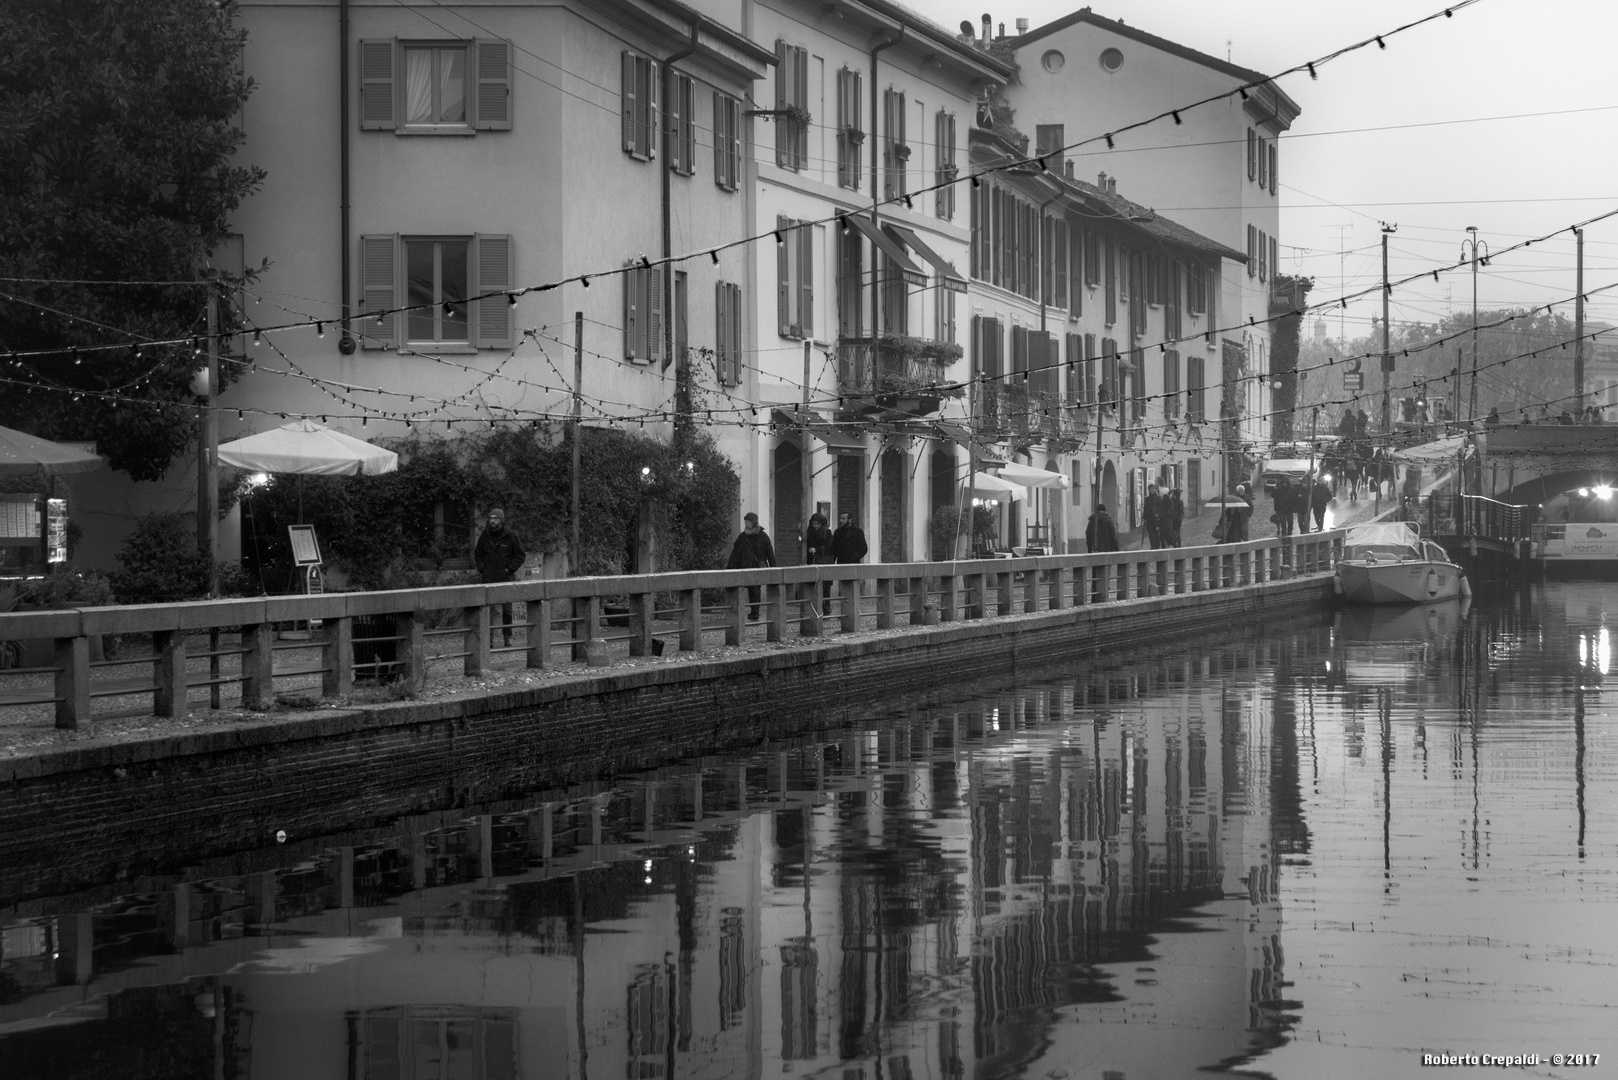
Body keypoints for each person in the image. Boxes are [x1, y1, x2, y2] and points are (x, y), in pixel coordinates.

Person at [474, 507, 526, 647]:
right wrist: (482, 569)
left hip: (506, 577)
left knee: (507, 610)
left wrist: (509, 569)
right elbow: (478, 554)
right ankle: (488, 638)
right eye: (490, 518)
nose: (492, 521)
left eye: (495, 518)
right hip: (488, 577)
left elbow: (520, 555)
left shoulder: (511, 536)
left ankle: (507, 636)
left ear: (501, 520)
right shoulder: (485, 536)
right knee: (487, 610)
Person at [727, 511, 775, 620]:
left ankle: (755, 612)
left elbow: (770, 554)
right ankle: (742, 612)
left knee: (754, 590)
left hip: (756, 567)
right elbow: (735, 553)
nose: (745, 524)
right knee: (744, 589)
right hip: (743, 566)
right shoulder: (742, 536)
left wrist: (774, 569)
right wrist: (730, 567)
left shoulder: (763, 537)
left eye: (747, 522)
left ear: (752, 523)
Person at [805, 511, 833, 600]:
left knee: (825, 586)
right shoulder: (809, 533)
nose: (815, 526)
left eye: (817, 524)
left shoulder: (827, 533)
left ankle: (826, 605)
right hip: (812, 561)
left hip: (824, 561)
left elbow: (829, 547)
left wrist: (817, 550)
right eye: (814, 524)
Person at [1143, 482, 1166, 548]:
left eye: (1153, 489)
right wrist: (1144, 517)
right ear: (1148, 490)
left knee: (1156, 533)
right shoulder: (1147, 499)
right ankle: (1152, 546)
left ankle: (1157, 546)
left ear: (1155, 489)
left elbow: (1162, 507)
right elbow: (1145, 508)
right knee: (1150, 533)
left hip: (1156, 519)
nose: (1152, 490)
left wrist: (1158, 514)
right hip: (1149, 519)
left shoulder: (1158, 498)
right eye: (1150, 489)